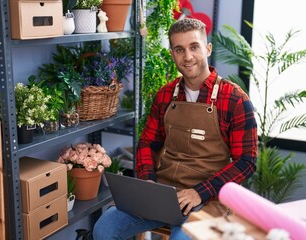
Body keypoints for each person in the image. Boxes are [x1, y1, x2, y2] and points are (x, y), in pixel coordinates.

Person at [93, 18, 258, 239]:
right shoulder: (164, 95)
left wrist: (200, 192)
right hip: (164, 195)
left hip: (209, 199)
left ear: (207, 49)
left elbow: (246, 162)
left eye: (194, 47)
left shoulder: (234, 99)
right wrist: (148, 182)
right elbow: (147, 143)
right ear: (172, 54)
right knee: (104, 228)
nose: (187, 57)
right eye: (179, 49)